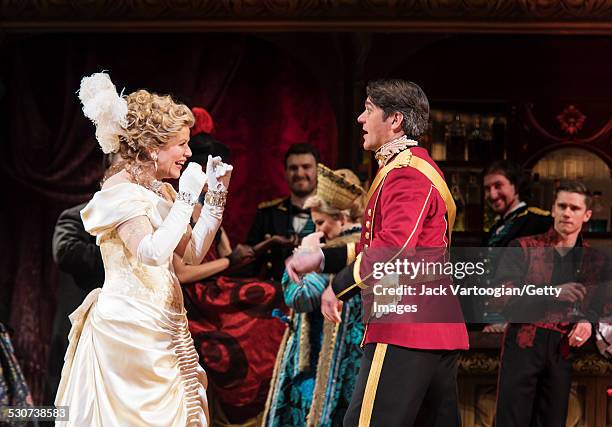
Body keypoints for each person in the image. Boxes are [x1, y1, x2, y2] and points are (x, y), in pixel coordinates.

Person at [286, 79, 468, 427]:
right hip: (429, 325)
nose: (360, 119)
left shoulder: (407, 175)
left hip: (405, 323)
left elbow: (394, 250)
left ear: (395, 120)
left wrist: (337, 286)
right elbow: (385, 246)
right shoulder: (408, 167)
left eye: (368, 110)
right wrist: (324, 259)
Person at [55, 72, 232, 426]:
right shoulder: (119, 192)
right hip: (128, 328)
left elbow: (193, 253)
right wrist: (185, 198)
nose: (188, 152)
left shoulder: (158, 190)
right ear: (153, 146)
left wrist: (214, 195)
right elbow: (149, 253)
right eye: (181, 144)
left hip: (165, 325)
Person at [494, 181, 604, 427]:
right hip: (523, 342)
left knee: (553, 421)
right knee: (511, 421)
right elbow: (501, 295)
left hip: (561, 349)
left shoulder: (593, 259)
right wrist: (551, 292)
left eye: (574, 208)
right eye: (562, 206)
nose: (567, 213)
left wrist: (588, 320)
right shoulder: (523, 247)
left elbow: (599, 305)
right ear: (552, 209)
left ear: (586, 215)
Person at [264, 165, 365, 427]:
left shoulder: (336, 251)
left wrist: (303, 253)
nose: (318, 231)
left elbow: (299, 296)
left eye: (320, 222)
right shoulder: (367, 248)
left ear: (342, 217)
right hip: (354, 360)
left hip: (325, 360)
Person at [245, 143, 319, 281]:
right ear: (285, 173)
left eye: (306, 167)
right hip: (276, 293)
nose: (299, 173)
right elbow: (248, 263)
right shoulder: (267, 214)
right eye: (293, 168)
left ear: (318, 171)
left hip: (320, 296)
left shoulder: (332, 214)